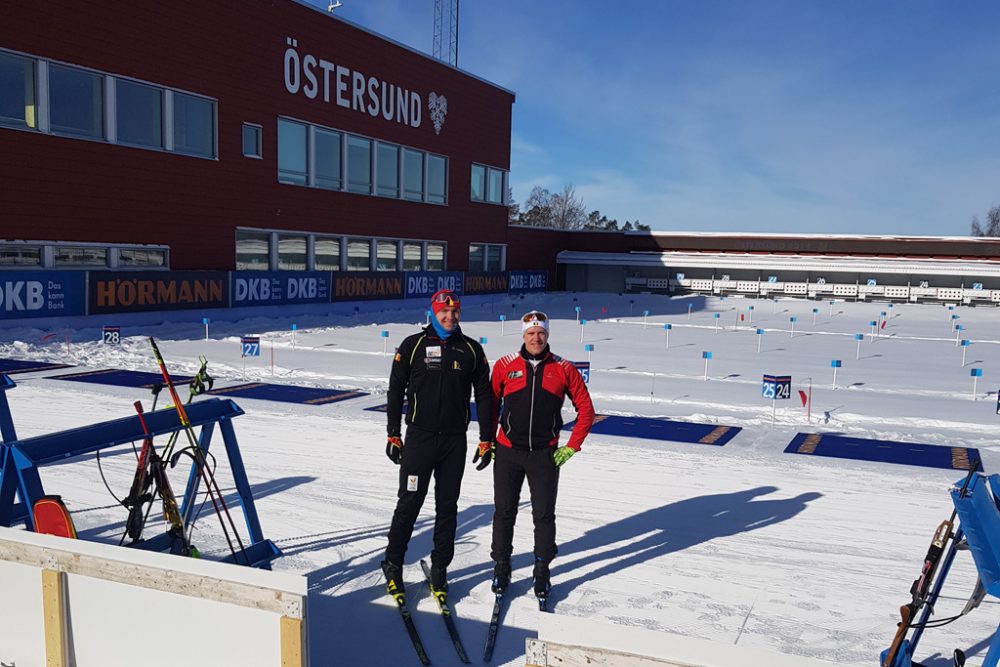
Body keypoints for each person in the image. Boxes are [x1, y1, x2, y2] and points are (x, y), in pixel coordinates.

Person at [381, 289, 494, 600]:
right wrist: (393, 433)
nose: (450, 316)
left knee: (448, 508)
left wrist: (487, 438)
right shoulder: (413, 345)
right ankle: (393, 563)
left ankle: (440, 568)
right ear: (432, 312)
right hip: (419, 439)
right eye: (444, 311)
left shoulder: (470, 349)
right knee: (410, 503)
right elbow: (395, 389)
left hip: (454, 443)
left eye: (455, 311)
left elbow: (484, 395)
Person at [476, 310, 594, 602]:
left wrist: (571, 446)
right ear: (523, 335)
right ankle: (501, 566)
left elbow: (586, 410)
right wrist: (486, 441)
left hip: (544, 455)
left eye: (541, 333)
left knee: (543, 516)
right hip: (507, 452)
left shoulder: (564, 368)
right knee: (504, 512)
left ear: (548, 335)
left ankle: (542, 569)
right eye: (531, 333)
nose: (536, 338)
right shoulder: (505, 366)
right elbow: (489, 407)